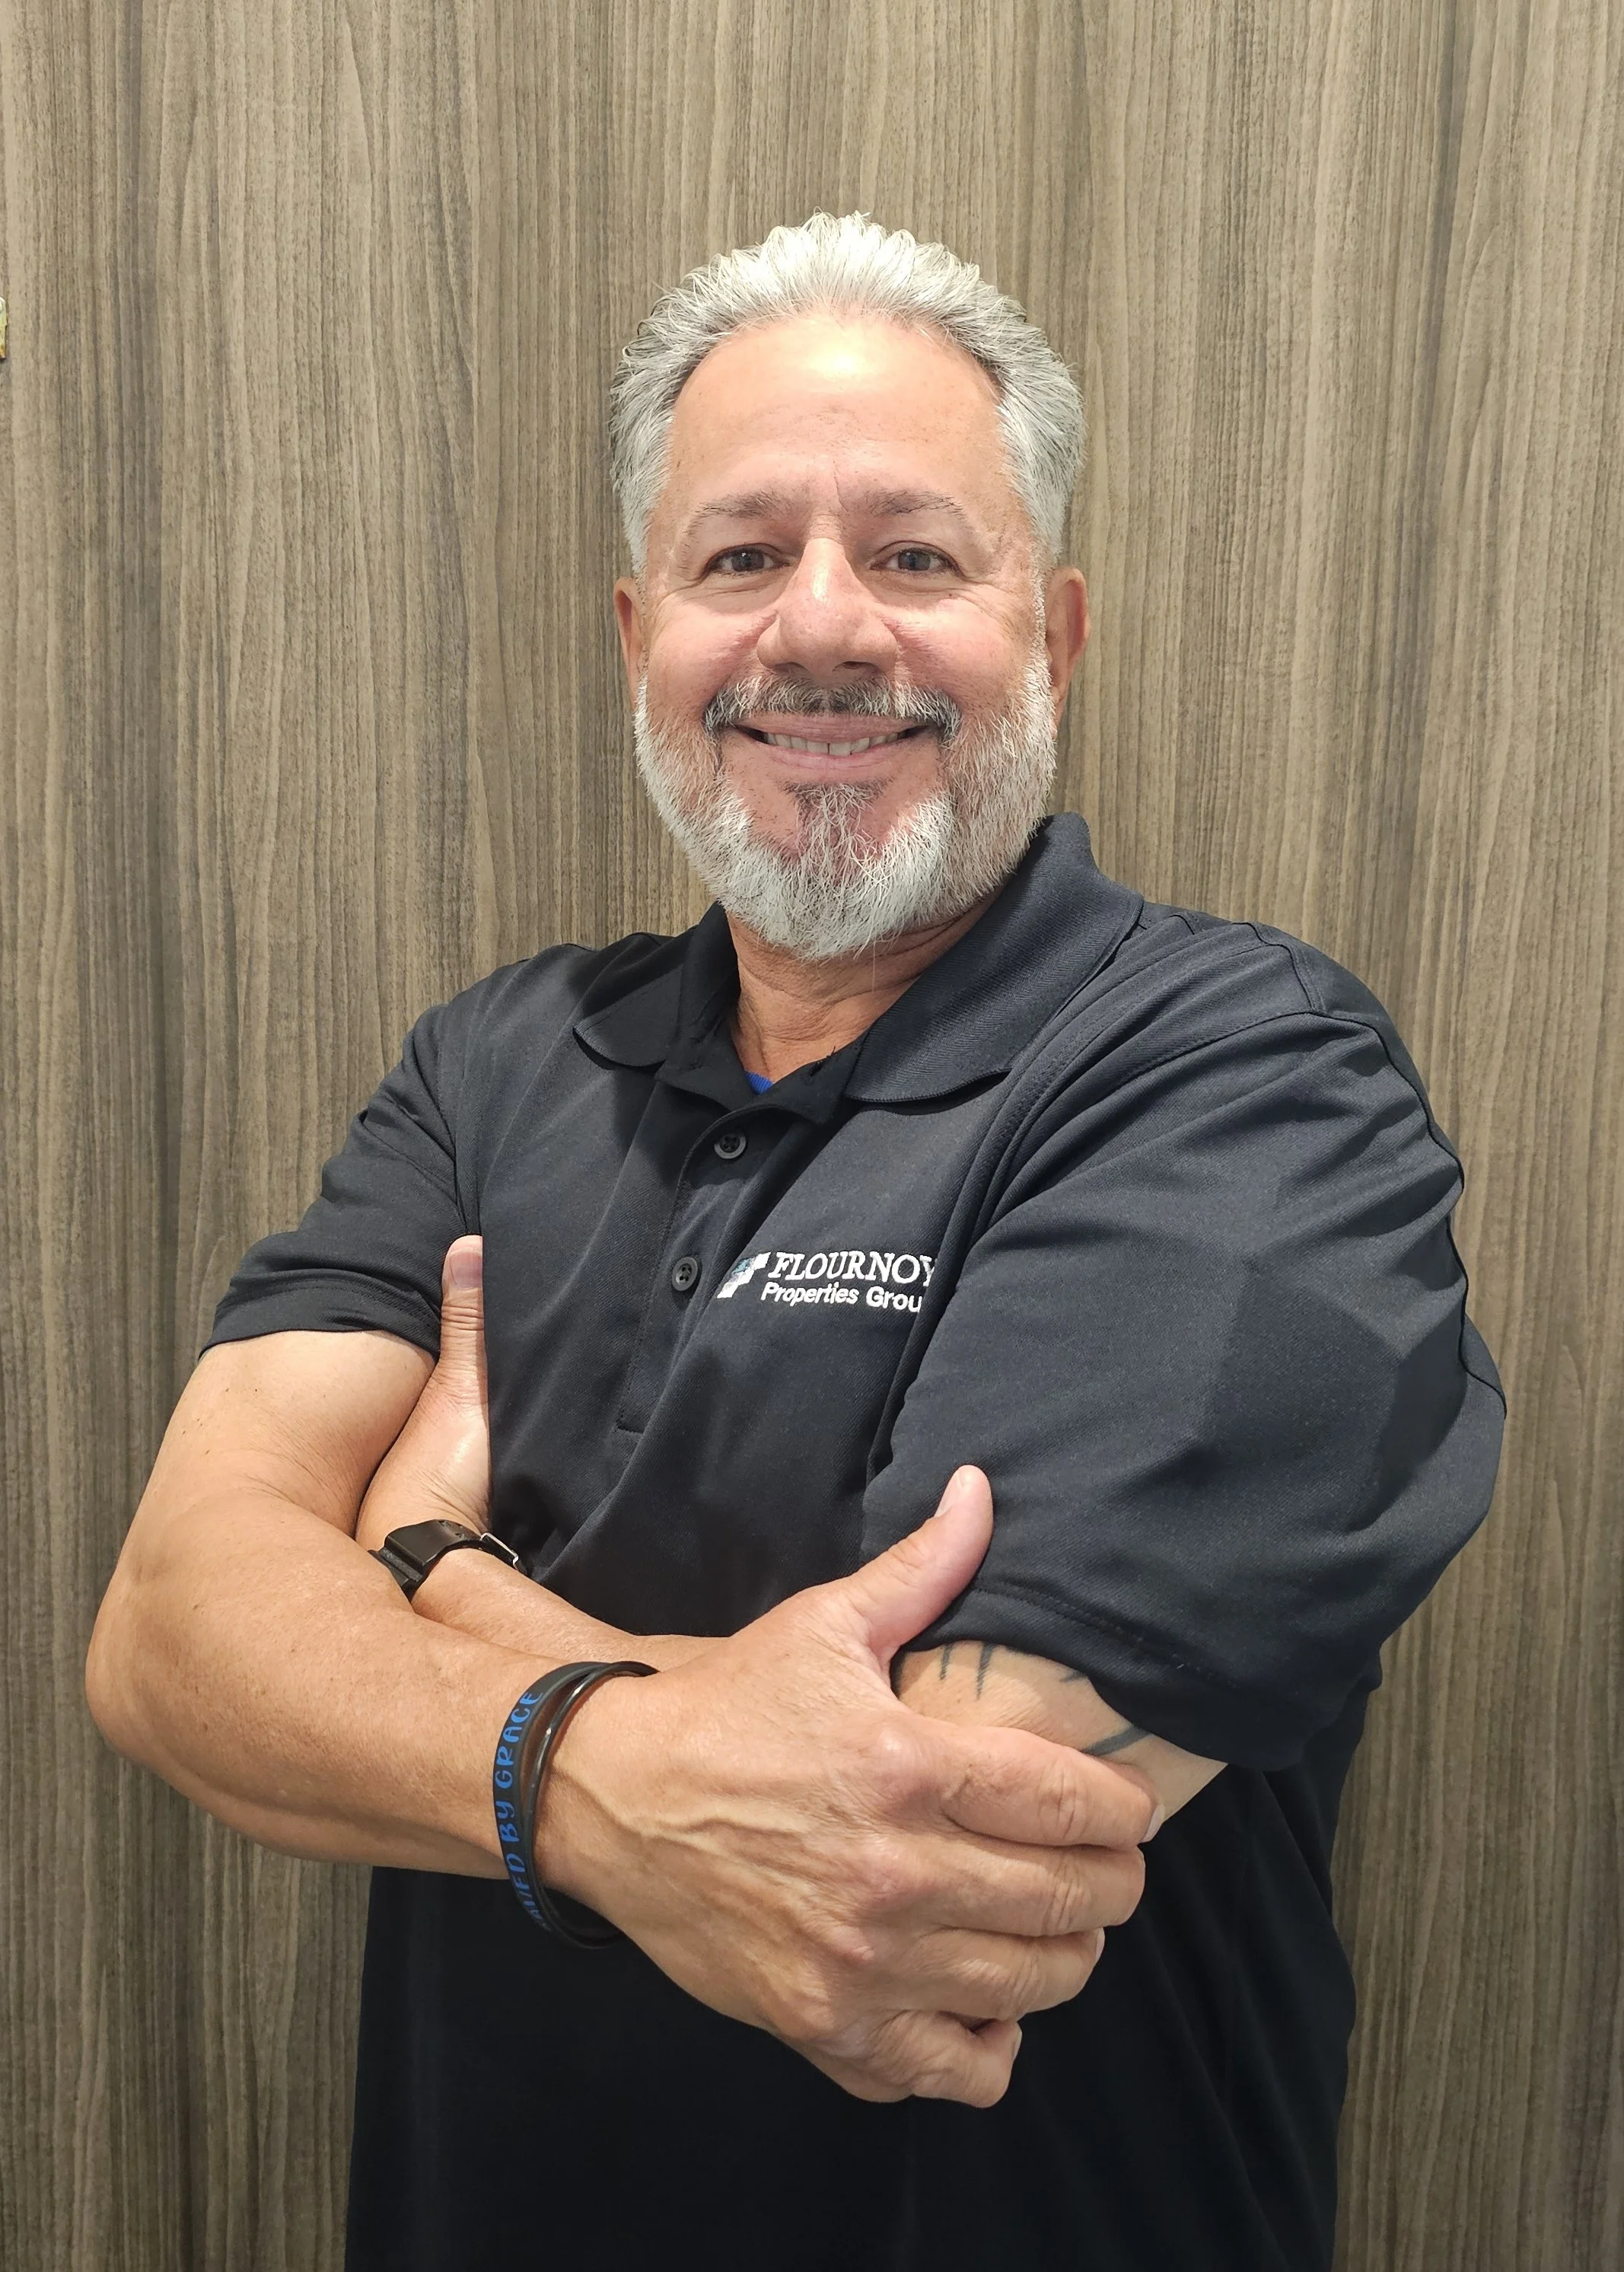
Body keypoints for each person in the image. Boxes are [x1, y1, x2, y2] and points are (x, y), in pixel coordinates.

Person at [86, 213, 1505, 2271]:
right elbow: (170, 1635)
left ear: (1058, 632)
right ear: (636, 624)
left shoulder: (1244, 1077)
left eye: (915, 556)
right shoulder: (499, 1061)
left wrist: (437, 1578)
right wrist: (658, 1767)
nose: (819, 630)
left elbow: (925, 1850)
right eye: (739, 557)